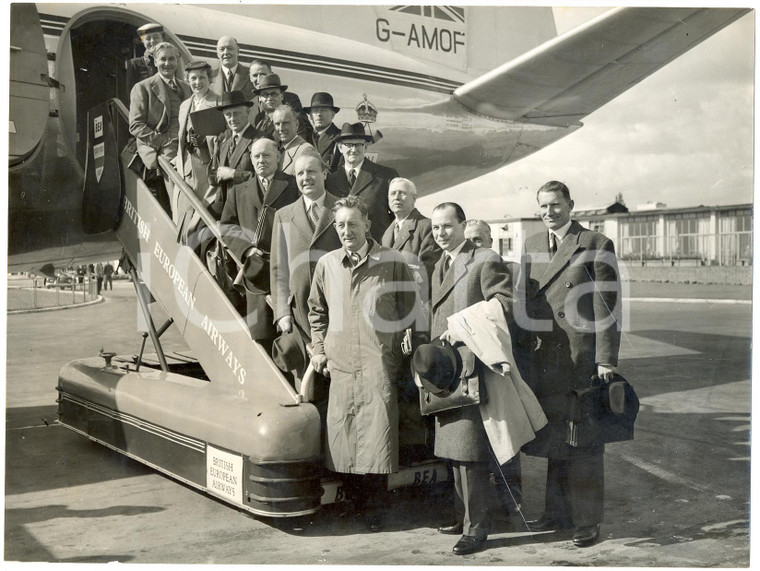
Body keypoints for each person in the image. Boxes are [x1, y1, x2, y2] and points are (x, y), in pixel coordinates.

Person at [308, 195, 422, 532]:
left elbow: (410, 307)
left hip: (377, 360)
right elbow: (316, 311)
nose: (346, 231)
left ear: (367, 225)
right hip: (341, 361)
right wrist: (318, 349)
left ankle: (375, 511)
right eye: (340, 225)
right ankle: (353, 507)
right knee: (345, 433)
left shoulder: (391, 261)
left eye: (352, 224)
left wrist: (400, 343)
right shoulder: (327, 264)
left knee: (377, 434)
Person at [518, 180, 622, 548]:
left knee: (585, 445)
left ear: (571, 205)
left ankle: (588, 522)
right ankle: (555, 513)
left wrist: (606, 359)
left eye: (556, 205)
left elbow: (607, 308)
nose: (549, 213)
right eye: (543, 207)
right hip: (545, 358)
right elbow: (525, 302)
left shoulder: (595, 244)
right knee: (555, 441)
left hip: (580, 362)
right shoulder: (532, 245)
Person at [427, 202, 513, 555]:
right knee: (454, 450)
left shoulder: (484, 259)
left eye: (447, 226)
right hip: (445, 371)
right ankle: (465, 516)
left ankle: (477, 526)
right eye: (435, 228)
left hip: (471, 368)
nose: (441, 233)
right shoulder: (439, 266)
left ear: (463, 225)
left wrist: (463, 329)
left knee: (471, 452)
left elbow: (503, 304)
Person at [462, 217, 525, 514]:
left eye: (478, 239)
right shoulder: (466, 265)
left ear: (490, 240)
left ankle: (511, 502)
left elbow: (502, 309)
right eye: (469, 240)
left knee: (503, 437)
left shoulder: (493, 263)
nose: (473, 245)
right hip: (472, 361)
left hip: (495, 361)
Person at [219, 138, 300, 344]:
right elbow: (228, 226)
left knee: (291, 335)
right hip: (256, 269)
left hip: (288, 268)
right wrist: (246, 250)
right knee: (261, 334)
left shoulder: (293, 185)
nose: (261, 160)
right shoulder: (238, 190)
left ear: (278, 157)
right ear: (251, 160)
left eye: (266, 155)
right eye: (256, 156)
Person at [129, 42, 191, 214]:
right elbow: (135, 125)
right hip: (162, 147)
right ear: (155, 62)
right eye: (162, 59)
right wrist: (162, 141)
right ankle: (179, 221)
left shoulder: (187, 88)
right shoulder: (142, 88)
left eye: (172, 59)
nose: (167, 63)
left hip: (186, 144)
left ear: (177, 61)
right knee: (179, 189)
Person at [326, 122, 398, 242]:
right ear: (340, 147)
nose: (353, 149)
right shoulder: (330, 181)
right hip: (342, 251)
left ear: (365, 147)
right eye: (348, 145)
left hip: (377, 250)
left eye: (358, 144)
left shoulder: (386, 176)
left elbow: (398, 217)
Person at [174, 60, 221, 229]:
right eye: (193, 78)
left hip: (207, 170)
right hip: (186, 168)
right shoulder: (184, 105)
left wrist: (205, 141)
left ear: (209, 79)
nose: (197, 82)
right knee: (184, 215)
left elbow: (225, 137)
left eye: (202, 77)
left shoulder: (218, 103)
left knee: (204, 218)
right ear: (188, 80)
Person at [209, 90, 269, 214]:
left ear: (247, 112)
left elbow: (266, 180)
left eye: (236, 113)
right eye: (228, 114)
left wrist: (233, 174)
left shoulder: (261, 139)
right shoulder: (224, 144)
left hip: (250, 210)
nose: (232, 119)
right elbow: (214, 178)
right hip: (227, 211)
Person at [381, 177, 440, 303]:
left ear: (414, 199)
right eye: (392, 193)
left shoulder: (426, 227)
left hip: (415, 305)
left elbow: (427, 274)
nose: (396, 197)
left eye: (402, 193)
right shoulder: (387, 233)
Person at [249, 60, 311, 139]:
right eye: (265, 94)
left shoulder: (293, 115)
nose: (269, 98)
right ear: (260, 98)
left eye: (274, 94)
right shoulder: (260, 120)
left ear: (281, 96)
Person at [304, 92, 342, 171]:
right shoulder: (305, 137)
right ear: (310, 116)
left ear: (332, 114)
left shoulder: (340, 138)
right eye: (315, 110)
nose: (319, 114)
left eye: (324, 110)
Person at [273, 105, 315, 175]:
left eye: (285, 123)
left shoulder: (306, 150)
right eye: (277, 124)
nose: (281, 128)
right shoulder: (275, 149)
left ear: (297, 124)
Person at [125, 23, 164, 96]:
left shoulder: (170, 61)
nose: (152, 41)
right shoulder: (134, 64)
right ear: (143, 42)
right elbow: (131, 95)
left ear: (162, 39)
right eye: (148, 38)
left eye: (156, 37)